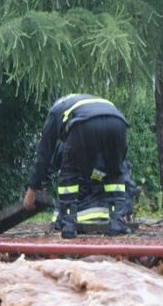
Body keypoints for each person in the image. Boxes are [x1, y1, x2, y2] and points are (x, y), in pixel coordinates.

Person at [23, 94, 131, 238]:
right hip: (118, 123)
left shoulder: (56, 111)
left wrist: (32, 188)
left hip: (84, 125)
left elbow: (44, 153)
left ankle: (68, 227)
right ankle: (117, 224)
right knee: (115, 173)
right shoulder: (91, 103)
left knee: (69, 173)